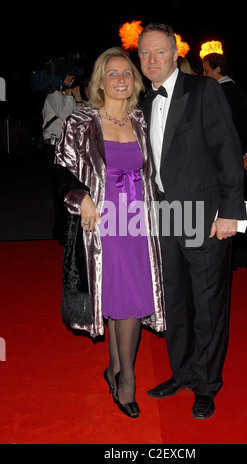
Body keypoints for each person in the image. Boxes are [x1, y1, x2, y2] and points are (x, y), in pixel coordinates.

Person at [138, 23, 246, 419]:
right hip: (164, 217)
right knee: (176, 300)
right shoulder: (143, 102)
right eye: (144, 54)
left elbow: (228, 152)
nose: (151, 60)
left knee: (208, 303)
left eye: (159, 52)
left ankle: (206, 383)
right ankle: (181, 372)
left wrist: (231, 213)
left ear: (175, 54)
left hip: (205, 217)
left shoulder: (204, 90)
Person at [53, 47, 165, 419]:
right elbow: (60, 170)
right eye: (112, 74)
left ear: (134, 81)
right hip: (101, 224)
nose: (121, 80)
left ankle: (118, 371)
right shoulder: (82, 122)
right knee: (118, 298)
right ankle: (125, 380)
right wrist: (80, 196)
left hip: (138, 223)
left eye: (127, 74)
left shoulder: (142, 120)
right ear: (100, 81)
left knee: (130, 298)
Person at [203, 53, 247, 268]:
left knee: (226, 208)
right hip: (241, 160)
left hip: (221, 163)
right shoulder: (240, 91)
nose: (204, 75)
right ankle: (238, 257)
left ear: (217, 70)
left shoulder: (214, 93)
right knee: (238, 204)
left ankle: (226, 259)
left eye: (206, 71)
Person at [42, 75, 85, 244]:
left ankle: (67, 231)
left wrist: (77, 98)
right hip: (54, 147)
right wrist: (68, 93)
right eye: (70, 84)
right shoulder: (54, 96)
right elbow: (66, 116)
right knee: (59, 190)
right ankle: (60, 232)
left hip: (69, 147)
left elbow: (78, 120)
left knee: (70, 190)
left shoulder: (70, 98)